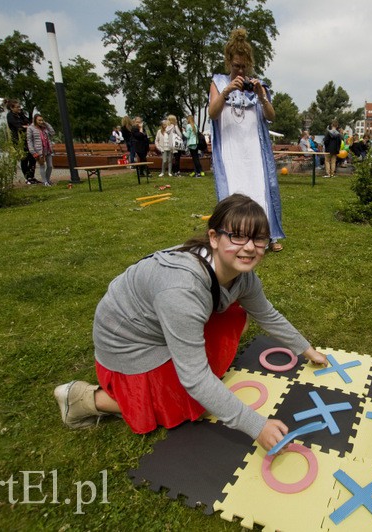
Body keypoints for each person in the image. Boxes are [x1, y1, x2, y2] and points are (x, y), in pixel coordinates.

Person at [53, 194, 328, 451]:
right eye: (237, 236)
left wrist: (305, 349)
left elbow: (265, 313)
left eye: (259, 239)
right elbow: (195, 379)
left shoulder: (241, 275)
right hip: (130, 343)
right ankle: (79, 399)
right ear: (214, 237)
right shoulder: (181, 289)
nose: (249, 248)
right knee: (188, 402)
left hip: (163, 324)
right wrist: (257, 426)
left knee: (233, 320)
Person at [209, 28, 285, 253]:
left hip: (254, 148)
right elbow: (213, 113)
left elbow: (271, 116)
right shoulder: (218, 82)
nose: (240, 70)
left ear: (249, 65)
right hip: (230, 148)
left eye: (244, 66)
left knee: (261, 188)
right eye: (236, 66)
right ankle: (234, 235)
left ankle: (269, 236)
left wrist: (262, 97)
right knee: (234, 189)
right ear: (228, 63)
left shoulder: (258, 85)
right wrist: (226, 92)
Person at [5, 99, 37, 184]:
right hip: (19, 140)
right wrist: (25, 127)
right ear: (12, 108)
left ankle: (31, 176)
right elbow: (18, 127)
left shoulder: (21, 114)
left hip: (28, 139)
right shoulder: (10, 116)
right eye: (17, 107)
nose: (19, 108)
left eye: (20, 107)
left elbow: (28, 123)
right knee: (25, 159)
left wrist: (27, 126)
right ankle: (27, 178)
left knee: (33, 158)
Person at [26, 113, 56, 186]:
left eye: (42, 120)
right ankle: (44, 181)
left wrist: (46, 124)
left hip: (47, 149)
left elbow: (52, 133)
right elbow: (29, 140)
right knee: (42, 165)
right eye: (39, 120)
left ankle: (47, 180)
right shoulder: (30, 128)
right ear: (35, 120)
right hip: (38, 150)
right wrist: (33, 151)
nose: (41, 122)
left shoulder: (44, 127)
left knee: (50, 166)